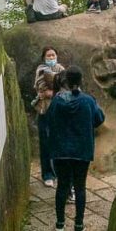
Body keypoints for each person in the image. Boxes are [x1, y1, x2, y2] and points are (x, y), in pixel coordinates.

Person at [47, 65, 105, 231]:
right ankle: (78, 226)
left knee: (62, 186)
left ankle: (59, 224)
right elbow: (99, 119)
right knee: (80, 187)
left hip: (60, 150)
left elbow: (49, 119)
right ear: (81, 81)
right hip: (82, 150)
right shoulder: (88, 100)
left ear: (65, 80)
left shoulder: (58, 100)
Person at [33, 46, 65, 187]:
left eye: (53, 55)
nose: (51, 58)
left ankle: (59, 172)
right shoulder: (40, 70)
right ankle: (47, 174)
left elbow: (66, 87)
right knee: (45, 143)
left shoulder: (62, 70)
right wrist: (49, 92)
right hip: (44, 110)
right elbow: (40, 86)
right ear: (44, 58)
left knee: (59, 142)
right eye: (49, 56)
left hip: (59, 111)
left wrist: (54, 92)